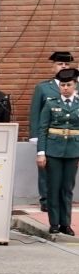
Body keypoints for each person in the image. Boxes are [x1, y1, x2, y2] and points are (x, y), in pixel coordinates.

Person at [36, 67, 79, 236]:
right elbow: (43, 128)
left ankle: (65, 223)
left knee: (67, 188)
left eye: (68, 85)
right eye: (62, 85)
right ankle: (54, 223)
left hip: (73, 151)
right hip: (53, 151)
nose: (65, 88)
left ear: (74, 85)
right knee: (53, 187)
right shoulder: (51, 103)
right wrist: (41, 152)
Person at [28, 51, 72, 212]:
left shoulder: (75, 86)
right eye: (60, 64)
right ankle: (46, 199)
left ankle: (62, 199)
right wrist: (34, 135)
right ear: (53, 66)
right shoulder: (43, 87)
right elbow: (35, 113)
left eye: (66, 64)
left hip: (70, 136)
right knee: (46, 168)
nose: (64, 67)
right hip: (48, 135)